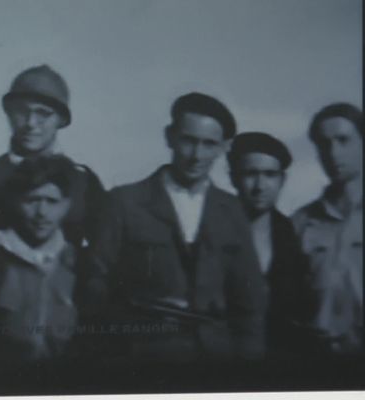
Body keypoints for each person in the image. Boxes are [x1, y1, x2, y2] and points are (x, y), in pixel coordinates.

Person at [84, 92, 268, 361]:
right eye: (188, 141)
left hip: (216, 364)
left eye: (209, 144)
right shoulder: (125, 202)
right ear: (169, 136)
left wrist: (248, 373)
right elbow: (94, 284)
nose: (196, 155)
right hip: (141, 359)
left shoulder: (232, 211)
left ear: (223, 147)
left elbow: (249, 304)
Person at [0, 65, 105, 250]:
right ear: (8, 113)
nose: (31, 123)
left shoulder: (83, 181)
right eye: (22, 111)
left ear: (60, 120)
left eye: (43, 114)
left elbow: (102, 254)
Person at [0, 155, 79, 365]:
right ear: (15, 201)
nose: (42, 213)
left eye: (52, 201)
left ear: (66, 205)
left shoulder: (76, 260)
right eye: (32, 201)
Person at [227, 132, 307, 355]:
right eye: (250, 174)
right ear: (233, 178)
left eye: (270, 174)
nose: (260, 186)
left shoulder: (292, 233)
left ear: (282, 180)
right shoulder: (214, 226)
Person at [292, 103, 363, 355]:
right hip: (319, 360)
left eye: (344, 140)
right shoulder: (300, 222)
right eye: (324, 144)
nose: (334, 152)